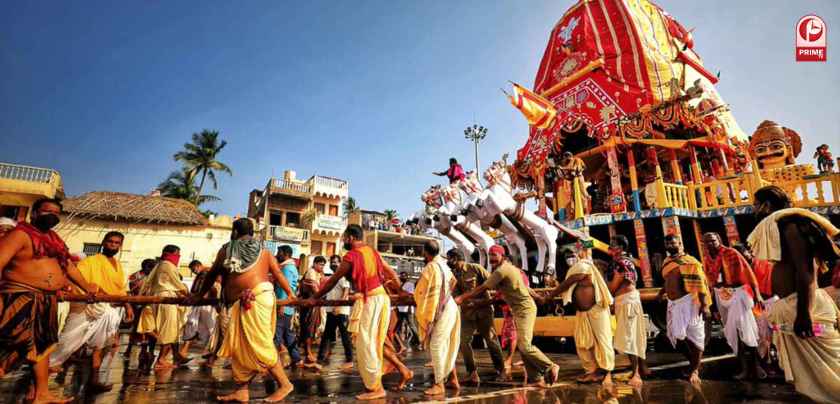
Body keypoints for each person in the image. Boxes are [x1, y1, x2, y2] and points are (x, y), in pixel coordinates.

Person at [0, 197, 98, 404]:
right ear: (34, 213)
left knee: (42, 347)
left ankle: (41, 394)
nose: (52, 216)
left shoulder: (54, 239)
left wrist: (86, 286)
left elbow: (68, 266)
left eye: (56, 213)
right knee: (15, 345)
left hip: (46, 300)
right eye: (46, 211)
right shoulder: (19, 235)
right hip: (21, 297)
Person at [747, 185, 840, 402]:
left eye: (755, 205)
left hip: (807, 307)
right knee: (817, 381)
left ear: (767, 205)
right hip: (795, 304)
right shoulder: (782, 227)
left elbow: (805, 270)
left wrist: (804, 314)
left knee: (833, 374)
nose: (754, 211)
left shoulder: (791, 226)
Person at [189, 217, 296, 402]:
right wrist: (290, 294)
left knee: (260, 343)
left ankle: (285, 384)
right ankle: (242, 390)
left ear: (235, 232)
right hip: (243, 302)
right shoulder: (263, 251)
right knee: (240, 347)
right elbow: (277, 273)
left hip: (255, 299)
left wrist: (199, 295)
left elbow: (213, 273)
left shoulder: (229, 250)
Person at [307, 224, 413, 400]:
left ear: (350, 237)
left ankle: (376, 387)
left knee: (367, 345)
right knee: (376, 343)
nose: (343, 241)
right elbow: (389, 271)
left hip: (371, 301)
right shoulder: (372, 251)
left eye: (344, 238)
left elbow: (333, 280)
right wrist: (400, 291)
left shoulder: (351, 256)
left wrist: (314, 298)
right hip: (381, 299)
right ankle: (399, 371)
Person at [455, 245, 560, 387]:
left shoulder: (501, 271)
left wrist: (462, 298)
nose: (491, 258)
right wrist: (538, 297)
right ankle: (536, 379)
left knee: (525, 346)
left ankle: (550, 366)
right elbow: (525, 287)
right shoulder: (510, 269)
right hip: (519, 310)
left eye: (494, 255)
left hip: (524, 310)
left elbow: (483, 288)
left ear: (502, 256)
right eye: (490, 255)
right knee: (524, 346)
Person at [49, 231, 132, 392]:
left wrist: (127, 306)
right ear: (103, 242)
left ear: (120, 246)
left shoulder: (119, 265)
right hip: (88, 309)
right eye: (110, 242)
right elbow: (80, 282)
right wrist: (101, 294)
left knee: (102, 346)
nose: (113, 245)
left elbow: (122, 290)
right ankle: (37, 386)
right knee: (67, 344)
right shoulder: (90, 261)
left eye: (116, 243)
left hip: (112, 309)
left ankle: (94, 380)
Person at [538, 248, 614, 385]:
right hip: (582, 313)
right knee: (582, 342)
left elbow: (568, 283)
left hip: (596, 311)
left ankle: (605, 371)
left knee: (602, 341)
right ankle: (591, 372)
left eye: (572, 255)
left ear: (578, 255)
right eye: (567, 256)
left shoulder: (583, 266)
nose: (570, 258)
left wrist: (548, 297)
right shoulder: (571, 271)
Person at [702, 232, 765, 380]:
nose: (711, 244)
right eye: (708, 242)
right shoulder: (706, 260)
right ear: (703, 245)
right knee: (732, 333)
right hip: (720, 295)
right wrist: (712, 306)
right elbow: (709, 283)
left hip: (737, 294)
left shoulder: (731, 253)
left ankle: (757, 366)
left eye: (713, 241)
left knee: (745, 329)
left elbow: (748, 273)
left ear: (719, 240)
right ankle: (744, 368)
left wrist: (757, 294)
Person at [657, 234, 712, 385]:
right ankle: (693, 362)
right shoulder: (667, 261)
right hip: (674, 304)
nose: (669, 245)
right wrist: (662, 292)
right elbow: (668, 279)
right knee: (676, 336)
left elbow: (701, 284)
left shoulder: (690, 262)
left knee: (696, 337)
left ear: (680, 243)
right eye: (667, 243)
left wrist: (705, 305)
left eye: (672, 243)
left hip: (690, 302)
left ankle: (694, 370)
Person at [447, 248, 505, 384]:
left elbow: (493, 283)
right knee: (463, 341)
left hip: (484, 311)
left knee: (491, 341)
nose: (448, 262)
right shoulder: (453, 274)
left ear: (456, 258)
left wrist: (490, 300)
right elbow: (456, 296)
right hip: (467, 313)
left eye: (449, 258)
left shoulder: (475, 268)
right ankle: (472, 372)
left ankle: (501, 370)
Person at [414, 241, 461, 396]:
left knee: (436, 346)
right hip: (451, 305)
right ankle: (453, 379)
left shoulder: (430, 268)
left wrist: (433, 306)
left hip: (442, 309)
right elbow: (454, 281)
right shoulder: (443, 265)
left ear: (425, 252)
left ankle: (439, 384)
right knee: (445, 345)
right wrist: (445, 295)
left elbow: (420, 293)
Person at [136, 245, 191, 369]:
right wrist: (191, 295)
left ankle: (171, 356)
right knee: (170, 330)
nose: (178, 257)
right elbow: (178, 284)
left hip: (160, 299)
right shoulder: (168, 265)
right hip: (166, 299)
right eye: (177, 254)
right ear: (170, 254)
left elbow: (149, 283)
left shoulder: (160, 265)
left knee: (169, 329)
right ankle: (161, 360)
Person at [605, 235, 647, 387]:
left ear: (621, 248)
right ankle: (642, 369)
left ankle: (636, 374)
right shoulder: (621, 262)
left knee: (630, 337)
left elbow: (614, 286)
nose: (610, 248)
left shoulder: (623, 263)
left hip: (627, 301)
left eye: (613, 245)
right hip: (624, 301)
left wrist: (608, 291)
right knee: (631, 335)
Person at [317, 255, 353, 367]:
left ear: (340, 263)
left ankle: (350, 360)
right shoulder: (333, 277)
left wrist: (339, 306)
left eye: (336, 262)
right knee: (327, 335)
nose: (333, 264)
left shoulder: (343, 277)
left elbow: (346, 291)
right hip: (331, 310)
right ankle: (320, 360)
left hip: (340, 311)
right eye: (332, 262)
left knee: (344, 336)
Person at [179, 260, 218, 359]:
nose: (193, 272)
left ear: (198, 266)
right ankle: (184, 352)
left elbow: (212, 289)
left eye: (193, 269)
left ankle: (208, 352)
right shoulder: (203, 274)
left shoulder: (206, 273)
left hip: (206, 305)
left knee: (208, 328)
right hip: (200, 304)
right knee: (193, 326)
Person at [124, 259, 157, 363]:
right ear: (147, 268)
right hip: (137, 306)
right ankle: (130, 350)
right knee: (138, 329)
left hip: (150, 306)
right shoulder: (135, 276)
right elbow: (131, 290)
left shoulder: (153, 277)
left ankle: (149, 352)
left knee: (149, 328)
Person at [299, 256, 326, 369]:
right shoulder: (311, 272)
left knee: (310, 330)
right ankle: (308, 353)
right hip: (308, 305)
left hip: (313, 305)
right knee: (308, 330)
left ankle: (305, 354)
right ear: (314, 264)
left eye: (323, 265)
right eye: (320, 264)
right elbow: (316, 290)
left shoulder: (318, 273)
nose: (322, 267)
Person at [393, 271, 420, 353]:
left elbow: (410, 295)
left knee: (412, 326)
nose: (402, 277)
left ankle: (418, 341)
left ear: (407, 277)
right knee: (397, 327)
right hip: (400, 309)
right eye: (401, 276)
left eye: (404, 276)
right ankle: (399, 344)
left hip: (407, 309)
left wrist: (402, 294)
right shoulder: (400, 285)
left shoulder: (410, 284)